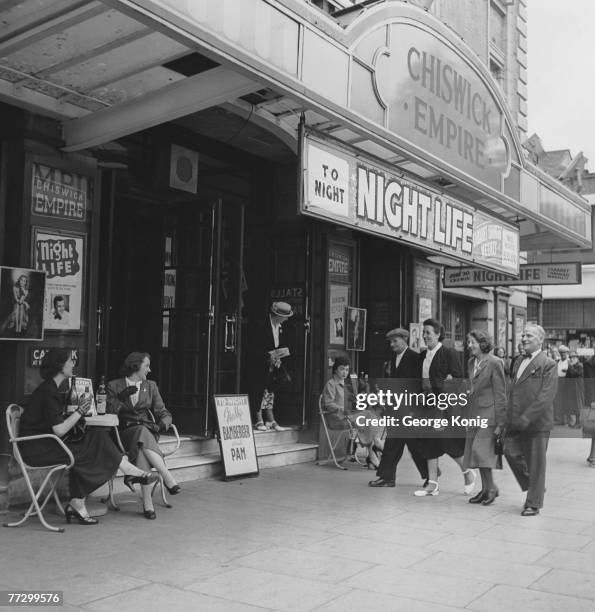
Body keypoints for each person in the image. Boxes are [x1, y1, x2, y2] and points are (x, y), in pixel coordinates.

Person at [18, 349, 155, 525]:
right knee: (91, 454)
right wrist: (80, 411)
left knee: (96, 435)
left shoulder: (52, 388)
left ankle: (85, 498)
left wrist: (76, 415)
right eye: (70, 361)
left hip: (47, 443)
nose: (73, 364)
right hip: (36, 449)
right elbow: (59, 429)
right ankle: (83, 499)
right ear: (60, 366)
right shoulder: (49, 391)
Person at [107, 352, 180, 520]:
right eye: (146, 366)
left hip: (146, 435)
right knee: (140, 433)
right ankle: (166, 475)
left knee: (141, 446)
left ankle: (148, 503)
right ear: (135, 366)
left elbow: (164, 412)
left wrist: (163, 424)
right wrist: (121, 398)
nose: (149, 369)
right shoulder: (114, 385)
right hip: (122, 434)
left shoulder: (151, 386)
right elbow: (107, 411)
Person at [414, 318, 476, 497]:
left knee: (447, 440)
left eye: (428, 333)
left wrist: (440, 389)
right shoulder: (422, 356)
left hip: (444, 406)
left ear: (438, 334)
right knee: (428, 442)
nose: (425, 336)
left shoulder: (449, 353)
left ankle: (467, 472)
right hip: (427, 406)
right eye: (423, 333)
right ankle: (432, 483)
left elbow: (457, 380)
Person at [505, 324, 557, 516]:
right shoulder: (518, 361)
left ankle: (533, 503)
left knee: (536, 463)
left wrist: (526, 417)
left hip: (537, 423)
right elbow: (513, 390)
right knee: (509, 451)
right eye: (523, 335)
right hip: (515, 420)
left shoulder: (549, 364)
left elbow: (546, 396)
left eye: (530, 336)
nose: (524, 339)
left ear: (541, 340)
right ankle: (535, 485)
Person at [369, 328, 428, 488]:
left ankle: (431, 475)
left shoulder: (415, 359)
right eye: (391, 342)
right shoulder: (392, 359)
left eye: (395, 341)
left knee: (414, 447)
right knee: (392, 445)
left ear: (404, 340)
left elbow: (417, 386)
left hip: (409, 410)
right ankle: (386, 477)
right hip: (395, 409)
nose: (392, 345)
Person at [464, 330, 507, 506]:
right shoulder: (471, 362)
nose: (469, 345)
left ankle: (491, 488)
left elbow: (500, 393)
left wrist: (501, 422)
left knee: (482, 451)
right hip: (474, 413)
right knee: (477, 453)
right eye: (468, 342)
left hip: (489, 414)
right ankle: (486, 489)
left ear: (482, 343)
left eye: (472, 342)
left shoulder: (495, 362)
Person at [322, 356, 379, 466]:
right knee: (367, 416)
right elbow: (328, 404)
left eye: (347, 369)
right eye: (342, 369)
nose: (345, 372)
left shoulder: (346, 384)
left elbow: (352, 399)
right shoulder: (331, 384)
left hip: (348, 417)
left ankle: (373, 452)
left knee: (370, 417)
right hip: (337, 418)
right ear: (335, 369)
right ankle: (377, 446)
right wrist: (344, 409)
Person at [253, 302, 294, 432]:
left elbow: (279, 345)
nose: (287, 319)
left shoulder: (280, 327)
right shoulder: (261, 325)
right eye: (285, 316)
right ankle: (258, 418)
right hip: (259, 363)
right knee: (258, 390)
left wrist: (278, 357)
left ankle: (270, 419)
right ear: (278, 315)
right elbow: (255, 346)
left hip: (272, 363)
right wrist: (267, 356)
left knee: (270, 391)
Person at [565, 351, 584, 428]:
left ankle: (578, 423)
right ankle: (575, 422)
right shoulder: (571, 366)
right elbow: (568, 377)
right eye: (570, 358)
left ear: (577, 358)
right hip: (572, 388)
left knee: (578, 405)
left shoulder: (579, 365)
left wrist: (570, 367)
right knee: (573, 404)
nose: (571, 359)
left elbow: (574, 374)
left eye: (573, 358)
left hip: (578, 388)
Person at [553, 345, 569, 424]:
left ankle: (565, 420)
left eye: (564, 353)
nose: (563, 355)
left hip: (566, 383)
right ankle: (559, 419)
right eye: (561, 353)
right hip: (558, 381)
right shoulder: (557, 362)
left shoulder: (569, 362)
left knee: (566, 401)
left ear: (567, 353)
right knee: (558, 400)